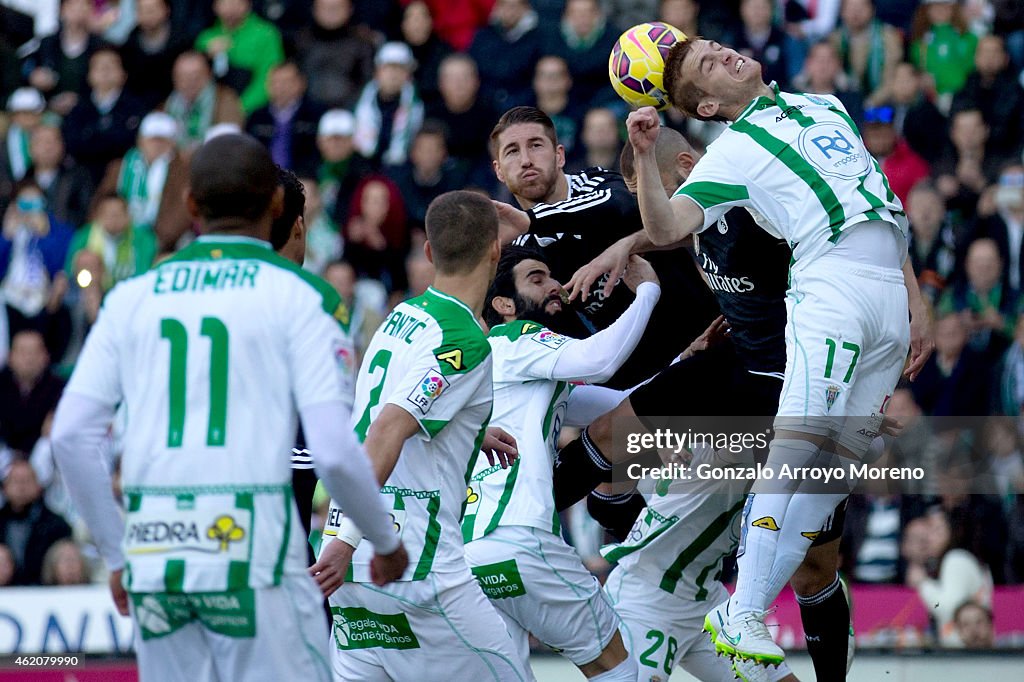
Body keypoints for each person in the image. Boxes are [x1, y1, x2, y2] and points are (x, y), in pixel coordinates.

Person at [49, 132, 406, 682]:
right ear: (275, 205)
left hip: (155, 552)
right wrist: (382, 540)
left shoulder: (132, 297)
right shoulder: (304, 298)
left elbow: (71, 436)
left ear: (191, 206)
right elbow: (334, 450)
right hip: (254, 552)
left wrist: (116, 555)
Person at [642, 37, 932, 669]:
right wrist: (644, 156)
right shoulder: (732, 151)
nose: (725, 56)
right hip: (830, 286)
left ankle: (741, 611)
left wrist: (918, 305)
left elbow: (877, 197)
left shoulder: (826, 105)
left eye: (718, 49)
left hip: (886, 291)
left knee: (829, 477)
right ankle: (746, 611)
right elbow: (666, 228)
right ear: (711, 102)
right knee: (798, 447)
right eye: (708, 66)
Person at [565, 127, 853, 681]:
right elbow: (606, 498)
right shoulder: (699, 405)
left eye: (657, 191)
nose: (653, 212)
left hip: (705, 604)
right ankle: (521, 525)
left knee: (816, 567)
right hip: (648, 600)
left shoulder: (752, 215)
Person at [319, 191, 529, 681]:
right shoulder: (464, 340)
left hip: (352, 576)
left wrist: (471, 430)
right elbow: (390, 427)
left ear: (429, 253)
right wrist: (352, 535)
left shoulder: (402, 315)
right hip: (414, 563)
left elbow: (389, 411)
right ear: (496, 252)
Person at [464, 244, 660, 681]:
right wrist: (647, 290)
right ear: (503, 305)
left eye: (552, 276)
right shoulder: (515, 338)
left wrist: (685, 364)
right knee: (619, 667)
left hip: (475, 553)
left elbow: (621, 405)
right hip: (523, 538)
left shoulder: (505, 367)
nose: (554, 285)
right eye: (536, 279)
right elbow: (601, 361)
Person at [490, 106, 719, 390]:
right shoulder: (524, 260)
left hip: (713, 342)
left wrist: (532, 220)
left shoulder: (602, 185)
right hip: (639, 388)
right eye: (512, 151)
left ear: (560, 155)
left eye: (536, 145)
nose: (526, 160)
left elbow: (622, 206)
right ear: (498, 171)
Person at [194, 0, 285, 114]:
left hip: (253, 112)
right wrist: (206, 55)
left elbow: (269, 78)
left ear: (248, 4)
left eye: (237, 2)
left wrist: (240, 108)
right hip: (209, 113)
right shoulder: (205, 39)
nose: (231, 7)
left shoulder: (266, 34)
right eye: (225, 2)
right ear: (215, 6)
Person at [0, 459, 72, 585]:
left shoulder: (57, 525)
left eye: (26, 481)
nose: (21, 487)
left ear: (38, 486)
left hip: (47, 590)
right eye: (16, 481)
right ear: (5, 487)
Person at [245, 61, 323, 176]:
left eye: (286, 82)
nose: (280, 87)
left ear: (301, 83)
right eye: (275, 82)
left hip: (304, 180)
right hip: (263, 180)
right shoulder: (256, 116)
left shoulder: (316, 115)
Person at [161, 51, 246, 152]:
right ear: (175, 79)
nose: (190, 81)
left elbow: (232, 140)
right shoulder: (168, 105)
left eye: (196, 75)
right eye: (183, 77)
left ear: (208, 75)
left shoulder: (226, 100)